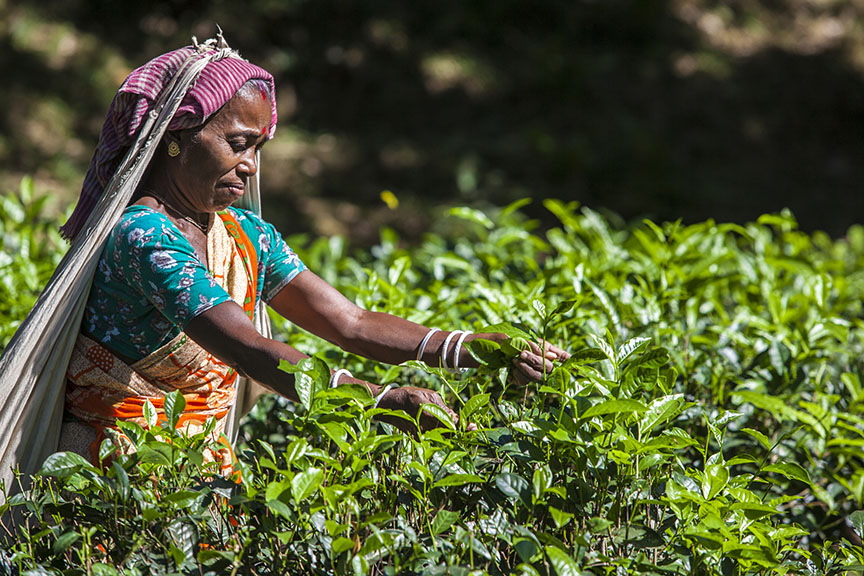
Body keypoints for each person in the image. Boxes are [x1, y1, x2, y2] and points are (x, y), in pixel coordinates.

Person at [8, 34, 570, 478]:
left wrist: (472, 349)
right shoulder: (143, 237)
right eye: (238, 143)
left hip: (195, 474)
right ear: (176, 135)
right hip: (109, 479)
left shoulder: (245, 236)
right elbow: (249, 348)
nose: (252, 166)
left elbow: (349, 322)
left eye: (258, 148)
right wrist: (378, 399)